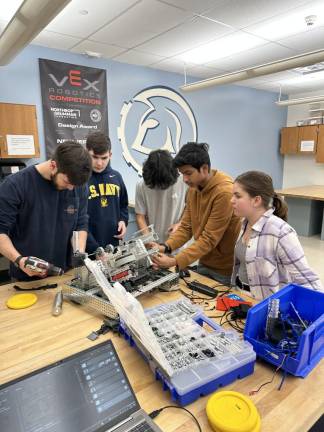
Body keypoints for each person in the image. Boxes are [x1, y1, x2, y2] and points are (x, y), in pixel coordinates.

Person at [151, 142, 241, 285]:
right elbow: (186, 227)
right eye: (182, 174)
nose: (185, 179)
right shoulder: (194, 188)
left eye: (188, 173)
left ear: (204, 168)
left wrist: (175, 261)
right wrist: (164, 247)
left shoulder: (224, 192)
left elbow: (209, 239)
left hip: (224, 271)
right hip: (204, 262)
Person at [0, 141, 92, 281]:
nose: (71, 189)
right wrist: (19, 260)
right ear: (53, 165)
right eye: (67, 182)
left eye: (75, 185)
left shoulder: (77, 185)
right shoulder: (15, 185)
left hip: (64, 274)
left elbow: (80, 223)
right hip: (26, 277)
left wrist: (78, 254)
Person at [231, 170, 323, 300]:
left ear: (256, 200)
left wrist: (317, 310)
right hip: (239, 295)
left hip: (263, 304)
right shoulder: (244, 223)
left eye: (237, 196)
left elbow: (307, 280)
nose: (231, 200)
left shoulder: (281, 232)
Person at [86, 132, 128, 253]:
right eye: (94, 157)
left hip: (113, 245)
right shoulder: (80, 179)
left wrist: (123, 221)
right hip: (89, 248)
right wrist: (93, 247)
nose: (99, 163)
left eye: (104, 158)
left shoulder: (117, 177)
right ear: (86, 153)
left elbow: (123, 205)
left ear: (110, 155)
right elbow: (77, 220)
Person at [135, 149, 187, 243]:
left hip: (178, 244)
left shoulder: (184, 182)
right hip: (154, 244)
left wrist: (180, 224)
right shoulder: (141, 186)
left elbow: (190, 207)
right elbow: (140, 216)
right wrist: (148, 238)